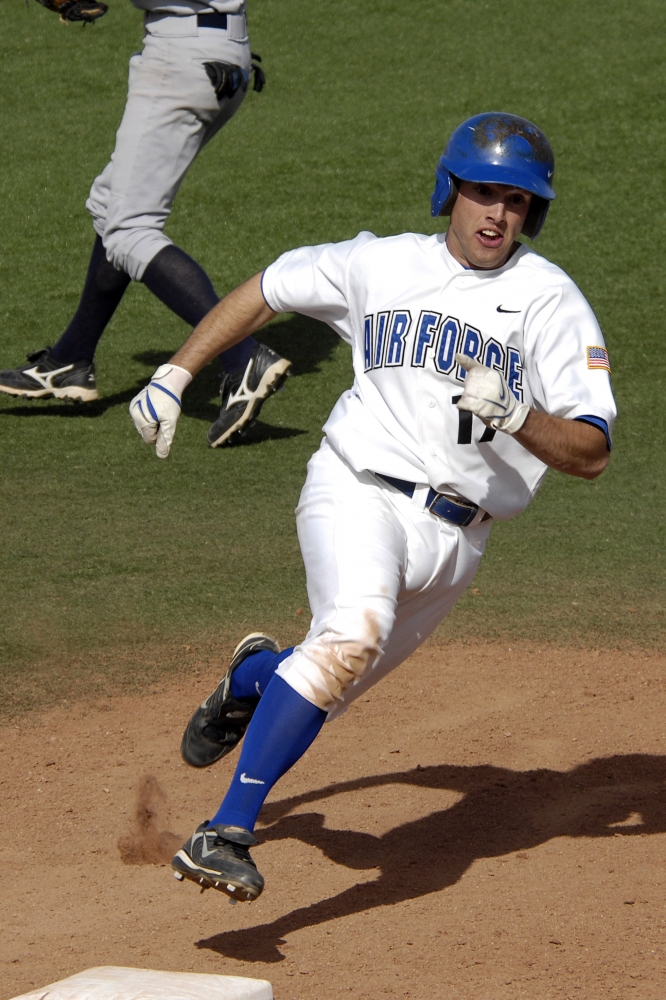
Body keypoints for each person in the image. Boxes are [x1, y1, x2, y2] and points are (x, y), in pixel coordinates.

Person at [130, 112, 616, 901]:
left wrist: (518, 415)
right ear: (450, 191)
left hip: (459, 542)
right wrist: (175, 375)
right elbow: (265, 290)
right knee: (351, 632)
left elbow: (591, 452)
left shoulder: (549, 303)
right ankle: (225, 831)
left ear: (534, 212)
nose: (497, 213)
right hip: (357, 487)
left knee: (329, 677)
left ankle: (252, 677)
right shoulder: (378, 264)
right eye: (484, 192)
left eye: (517, 201)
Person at [0, 0, 290, 448]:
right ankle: (69, 361)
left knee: (130, 227)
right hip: (221, 50)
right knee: (111, 204)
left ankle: (242, 356)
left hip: (181, 57)